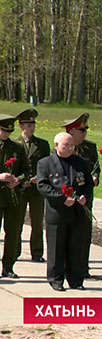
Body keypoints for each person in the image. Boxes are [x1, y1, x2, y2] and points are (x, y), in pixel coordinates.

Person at [36, 132, 93, 291]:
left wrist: (84, 197)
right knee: (56, 247)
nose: (69, 148)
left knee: (76, 247)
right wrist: (62, 198)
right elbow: (42, 186)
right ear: (56, 146)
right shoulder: (45, 163)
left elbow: (88, 183)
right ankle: (56, 279)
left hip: (77, 212)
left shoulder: (80, 162)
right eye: (65, 145)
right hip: (58, 212)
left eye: (72, 145)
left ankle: (76, 280)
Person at [62, 113, 99, 279]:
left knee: (85, 233)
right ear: (71, 131)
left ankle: (83, 267)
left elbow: (95, 168)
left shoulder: (90, 148)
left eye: (85, 130)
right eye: (81, 130)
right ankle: (64, 267)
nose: (84, 133)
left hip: (85, 197)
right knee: (65, 233)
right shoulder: (60, 146)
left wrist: (95, 176)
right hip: (67, 198)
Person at [15, 108, 50, 263]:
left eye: (33, 124)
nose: (31, 127)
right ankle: (14, 252)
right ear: (21, 125)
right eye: (28, 125)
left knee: (37, 223)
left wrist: (40, 177)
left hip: (36, 189)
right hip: (20, 189)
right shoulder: (15, 144)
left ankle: (37, 252)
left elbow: (47, 165)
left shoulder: (42, 144)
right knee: (16, 223)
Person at [0, 114, 30, 279]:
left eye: (9, 131)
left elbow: (26, 170)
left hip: (13, 196)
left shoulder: (17, 148)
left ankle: (8, 266)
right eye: (4, 131)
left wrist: (18, 180)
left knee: (13, 232)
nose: (7, 134)